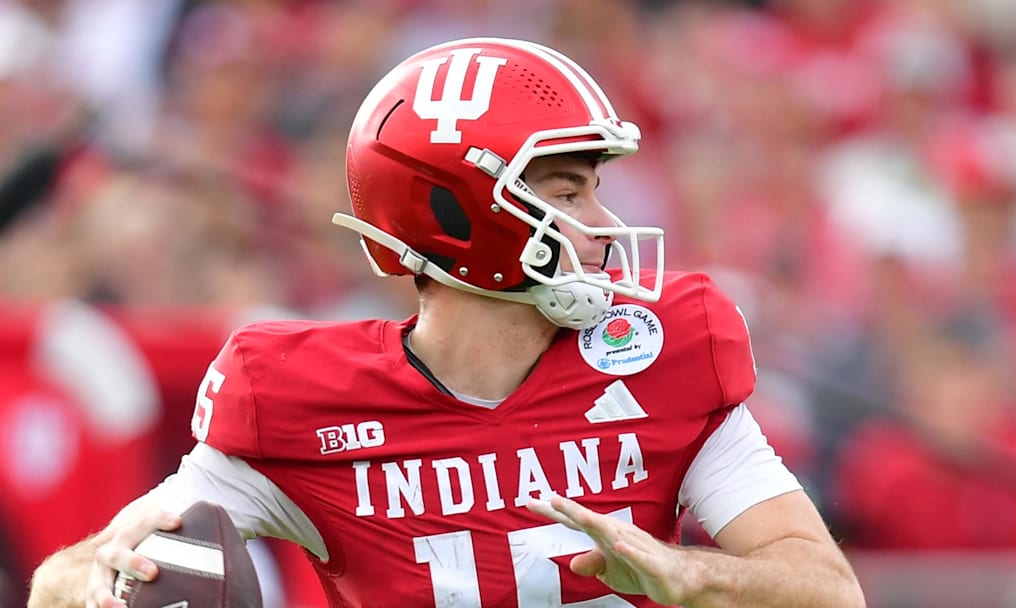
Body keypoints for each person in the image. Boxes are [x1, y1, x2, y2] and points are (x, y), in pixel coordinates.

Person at [28, 37, 865, 608]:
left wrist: (686, 575)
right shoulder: (298, 401)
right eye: (569, 192)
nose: (602, 223)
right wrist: (104, 579)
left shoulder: (654, 358)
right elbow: (66, 578)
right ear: (455, 214)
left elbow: (828, 590)